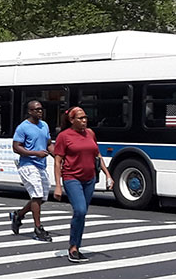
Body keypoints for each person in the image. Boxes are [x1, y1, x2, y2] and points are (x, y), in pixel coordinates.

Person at [54, 106, 114, 263]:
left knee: (82, 214)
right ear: (72, 120)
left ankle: (76, 246)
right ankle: (73, 247)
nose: (84, 121)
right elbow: (58, 160)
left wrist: (108, 175)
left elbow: (97, 155)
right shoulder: (64, 136)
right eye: (80, 118)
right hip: (71, 177)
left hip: (89, 179)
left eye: (85, 117)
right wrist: (58, 185)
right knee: (79, 210)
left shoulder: (90, 133)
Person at [9, 100, 55, 242]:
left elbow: (48, 145)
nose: (40, 111)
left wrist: (59, 158)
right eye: (37, 109)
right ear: (30, 111)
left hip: (41, 165)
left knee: (43, 197)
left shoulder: (44, 125)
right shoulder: (23, 127)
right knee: (37, 195)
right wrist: (35, 153)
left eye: (41, 109)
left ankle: (19, 215)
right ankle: (38, 228)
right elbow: (16, 147)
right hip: (27, 165)